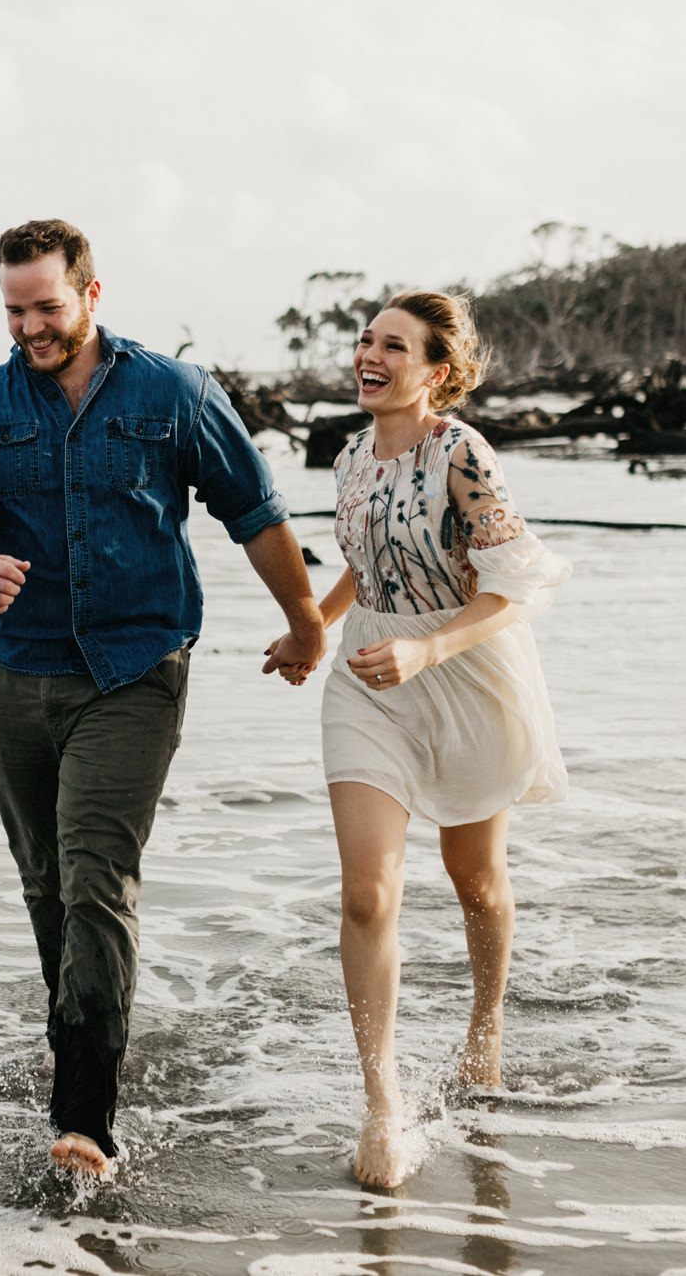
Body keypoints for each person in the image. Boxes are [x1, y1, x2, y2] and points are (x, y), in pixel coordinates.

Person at [0, 219, 327, 1176]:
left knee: (97, 877)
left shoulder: (173, 392)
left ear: (93, 292)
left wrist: (305, 622)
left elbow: (255, 512)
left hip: (135, 669)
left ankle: (85, 1119)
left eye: (47, 306)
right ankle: (82, 1042)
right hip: (16, 671)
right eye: (14, 310)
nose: (31, 327)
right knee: (47, 886)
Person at [267, 291, 569, 1188]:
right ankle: (383, 1106)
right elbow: (365, 563)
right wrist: (314, 629)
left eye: (393, 345)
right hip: (370, 679)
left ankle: (485, 1030)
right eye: (365, 340)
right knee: (367, 893)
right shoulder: (352, 452)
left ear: (436, 369)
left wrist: (430, 644)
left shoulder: (462, 452)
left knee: (475, 879)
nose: (369, 354)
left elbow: (521, 585)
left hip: (466, 672)